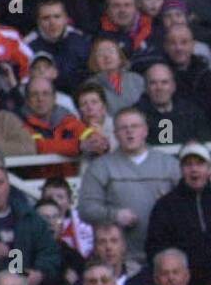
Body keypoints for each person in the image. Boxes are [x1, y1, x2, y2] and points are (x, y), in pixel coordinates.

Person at [77, 106, 181, 267]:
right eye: (123, 128)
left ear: (145, 131)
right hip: (122, 261)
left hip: (165, 257)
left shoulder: (169, 164)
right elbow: (86, 209)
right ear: (115, 134)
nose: (129, 132)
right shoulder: (100, 167)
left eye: (134, 126)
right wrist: (114, 215)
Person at [144, 141, 211, 285]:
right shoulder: (165, 206)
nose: (194, 169)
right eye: (188, 164)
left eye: (200, 164)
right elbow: (156, 248)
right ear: (181, 169)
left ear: (209, 168)